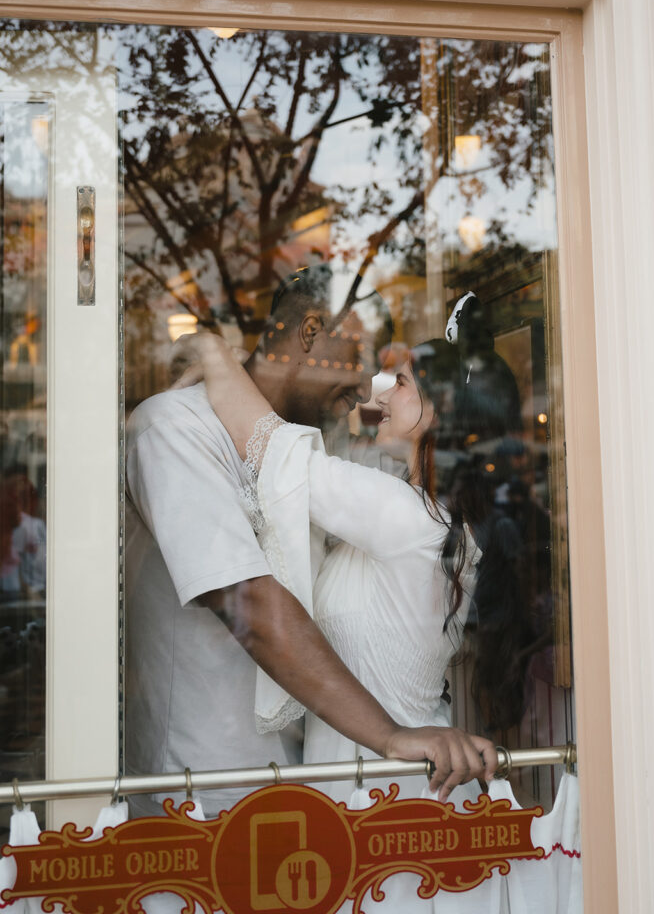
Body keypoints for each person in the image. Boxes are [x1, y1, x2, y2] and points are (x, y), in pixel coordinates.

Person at [125, 266, 496, 820]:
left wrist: (219, 357)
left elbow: (292, 463)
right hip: (204, 788)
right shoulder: (176, 427)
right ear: (311, 332)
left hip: (313, 787)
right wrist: (389, 734)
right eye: (364, 362)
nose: (366, 389)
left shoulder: (340, 464)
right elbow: (247, 597)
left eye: (394, 378)